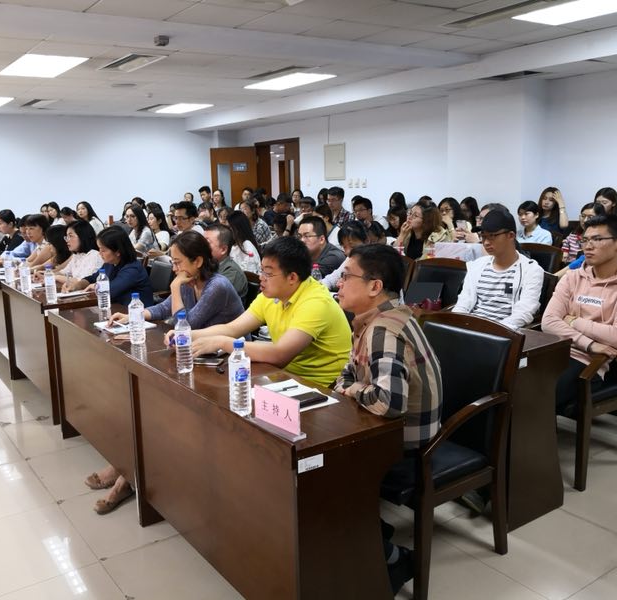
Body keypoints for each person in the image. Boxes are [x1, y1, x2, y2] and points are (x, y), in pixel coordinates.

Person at [93, 231, 244, 514]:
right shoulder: (190, 281)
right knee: (146, 399)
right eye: (172, 262)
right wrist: (135, 315)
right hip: (197, 360)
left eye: (178, 262)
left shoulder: (217, 286)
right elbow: (165, 309)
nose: (174, 268)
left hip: (224, 370)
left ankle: (127, 476)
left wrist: (174, 288)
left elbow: (185, 323)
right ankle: (126, 469)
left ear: (198, 261)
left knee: (157, 406)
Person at [334, 243, 442, 594]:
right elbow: (346, 375)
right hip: (385, 431)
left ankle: (395, 559)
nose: (338, 283)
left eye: (346, 276)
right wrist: (351, 386)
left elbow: (389, 403)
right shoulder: (373, 319)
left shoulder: (384, 329)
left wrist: (352, 390)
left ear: (374, 286)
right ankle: (371, 531)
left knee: (323, 481)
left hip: (408, 447)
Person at [185, 236, 352, 388]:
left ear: (292, 277)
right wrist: (186, 335)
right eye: (261, 270)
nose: (261, 277)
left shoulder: (315, 302)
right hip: (284, 377)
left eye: (268, 273)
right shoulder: (271, 295)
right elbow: (232, 329)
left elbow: (280, 354)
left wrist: (222, 343)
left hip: (322, 388)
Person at [542, 213, 617, 416]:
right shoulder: (572, 277)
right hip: (554, 352)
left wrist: (572, 320)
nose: (588, 246)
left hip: (587, 363)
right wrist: (590, 343)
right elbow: (548, 322)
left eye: (597, 239)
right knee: (512, 383)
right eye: (585, 240)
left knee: (536, 394)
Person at [452, 209, 544, 330]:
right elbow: (463, 303)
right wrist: (456, 324)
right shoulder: (477, 266)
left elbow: (523, 313)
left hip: (503, 333)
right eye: (483, 236)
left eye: (492, 236)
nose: (486, 242)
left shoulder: (531, 270)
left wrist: (492, 331)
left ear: (511, 236)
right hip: (469, 329)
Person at [66, 226, 153, 306]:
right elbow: (93, 278)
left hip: (136, 313)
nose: (99, 253)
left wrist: (96, 286)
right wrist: (77, 285)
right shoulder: (110, 263)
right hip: (116, 308)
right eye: (99, 249)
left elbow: (111, 290)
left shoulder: (133, 269)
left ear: (118, 252)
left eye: (103, 250)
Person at [204, 224, 248, 300]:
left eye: (206, 243)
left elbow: (209, 300)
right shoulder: (208, 265)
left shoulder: (231, 272)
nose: (200, 246)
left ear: (223, 249)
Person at [321, 220, 369, 290]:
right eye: (344, 247)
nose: (347, 252)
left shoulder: (376, 261)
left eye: (352, 246)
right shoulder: (350, 259)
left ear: (366, 241)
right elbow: (331, 280)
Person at [55, 219, 103, 284]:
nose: (67, 240)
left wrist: (56, 277)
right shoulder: (77, 255)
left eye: (70, 236)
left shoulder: (95, 255)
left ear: (82, 236)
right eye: (67, 237)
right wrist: (46, 275)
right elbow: (63, 272)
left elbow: (82, 281)